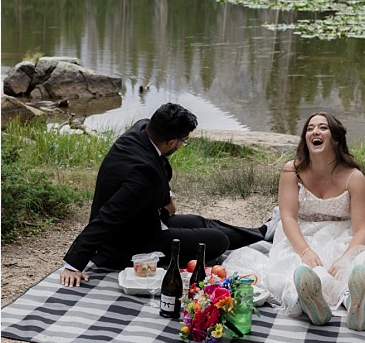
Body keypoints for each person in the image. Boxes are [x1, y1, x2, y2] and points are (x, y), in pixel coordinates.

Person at [222, 112, 365, 331]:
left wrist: (345, 259)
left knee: (352, 269)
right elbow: (288, 217)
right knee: (296, 268)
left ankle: (353, 303)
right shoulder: (291, 170)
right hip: (301, 236)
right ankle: (310, 304)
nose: (315, 131)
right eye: (310, 128)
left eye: (323, 128)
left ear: (335, 138)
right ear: (305, 138)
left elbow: (363, 228)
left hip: (345, 237)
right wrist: (305, 251)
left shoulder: (354, 177)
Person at [60, 103, 266, 287]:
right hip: (130, 243)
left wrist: (166, 198)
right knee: (219, 240)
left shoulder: (141, 129)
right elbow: (108, 216)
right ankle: (169, 260)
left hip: (146, 220)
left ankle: (262, 233)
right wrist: (73, 263)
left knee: (199, 221)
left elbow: (161, 171)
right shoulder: (144, 176)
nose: (181, 146)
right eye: (183, 141)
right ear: (170, 142)